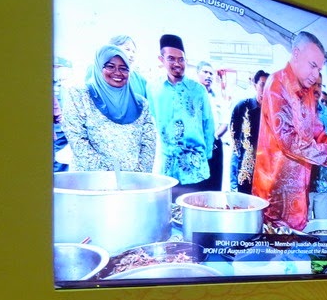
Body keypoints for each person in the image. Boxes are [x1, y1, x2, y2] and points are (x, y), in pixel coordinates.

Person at [251, 31, 327, 230]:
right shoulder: (277, 85)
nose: (316, 75)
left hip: (299, 197)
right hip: (275, 199)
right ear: (296, 54)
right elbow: (289, 142)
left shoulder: (307, 93)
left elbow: (316, 130)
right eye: (313, 66)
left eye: (319, 69)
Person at [61, 43, 156, 173]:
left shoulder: (141, 104)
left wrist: (138, 175)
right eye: (110, 66)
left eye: (123, 68)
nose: (118, 73)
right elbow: (76, 138)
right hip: (90, 179)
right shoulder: (80, 95)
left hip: (132, 180)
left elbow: (149, 142)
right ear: (99, 67)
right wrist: (111, 175)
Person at [148, 34, 214, 200]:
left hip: (194, 166)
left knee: (192, 207)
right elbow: (151, 121)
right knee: (165, 208)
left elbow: (208, 124)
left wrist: (206, 156)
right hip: (165, 167)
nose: (177, 64)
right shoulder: (153, 88)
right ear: (161, 59)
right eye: (171, 58)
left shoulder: (198, 90)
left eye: (181, 59)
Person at [230, 69, 269, 193]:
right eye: (262, 85)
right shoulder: (242, 106)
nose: (265, 89)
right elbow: (235, 138)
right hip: (246, 169)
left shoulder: (274, 111)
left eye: (269, 86)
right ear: (255, 85)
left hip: (266, 171)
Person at [196, 61, 228, 192]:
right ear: (197, 73)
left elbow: (225, 122)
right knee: (197, 185)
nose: (208, 76)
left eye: (211, 73)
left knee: (214, 182)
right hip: (196, 145)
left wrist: (214, 137)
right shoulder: (191, 95)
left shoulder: (218, 98)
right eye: (205, 72)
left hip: (215, 143)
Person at [309, 72, 327, 219]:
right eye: (313, 84)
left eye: (319, 85)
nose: (317, 89)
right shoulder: (297, 111)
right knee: (303, 229)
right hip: (303, 185)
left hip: (324, 181)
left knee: (324, 227)